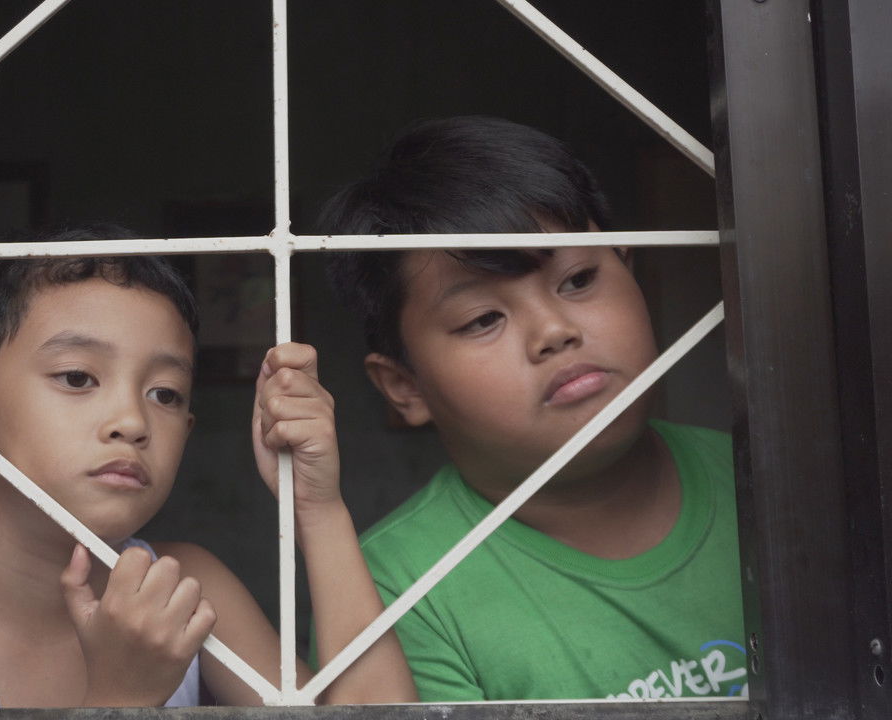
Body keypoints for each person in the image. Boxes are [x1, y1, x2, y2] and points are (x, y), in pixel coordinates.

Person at [0, 226, 415, 708]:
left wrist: (316, 504)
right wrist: (122, 698)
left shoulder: (188, 587)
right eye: (77, 378)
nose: (132, 420)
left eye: (166, 394)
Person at [319, 117, 745, 701]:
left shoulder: (768, 480)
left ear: (630, 265)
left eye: (579, 279)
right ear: (404, 387)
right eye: (483, 319)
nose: (554, 330)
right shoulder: (391, 593)